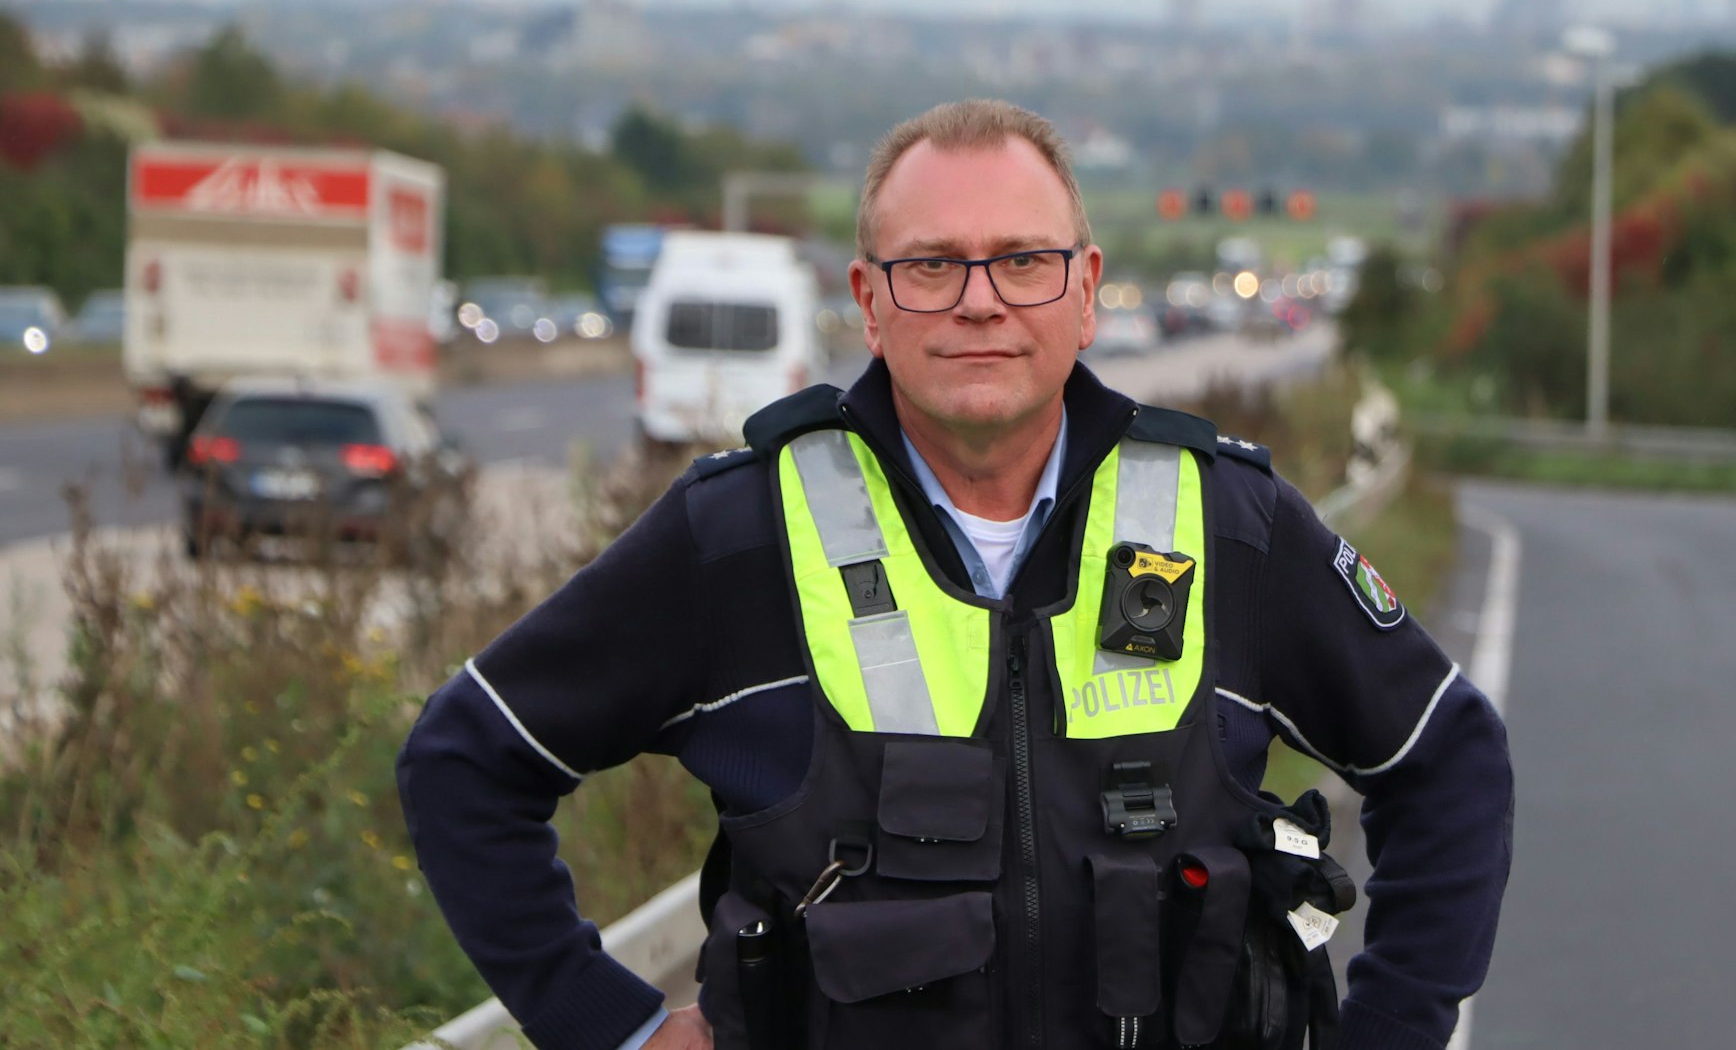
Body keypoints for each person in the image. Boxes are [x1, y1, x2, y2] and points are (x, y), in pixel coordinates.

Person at [398, 99, 1512, 1050]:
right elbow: (464, 764)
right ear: (869, 300)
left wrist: (1390, 1030)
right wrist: (614, 1025)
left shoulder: (1229, 526)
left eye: (1021, 260)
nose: (979, 300)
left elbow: (1447, 760)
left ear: (1084, 290)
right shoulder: (737, 535)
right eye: (931, 265)